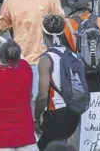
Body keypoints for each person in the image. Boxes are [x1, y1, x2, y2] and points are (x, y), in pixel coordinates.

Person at [34, 15, 81, 150]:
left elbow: (43, 95)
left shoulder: (46, 59)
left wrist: (36, 118)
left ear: (43, 34)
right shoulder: (72, 55)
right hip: (73, 114)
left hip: (56, 114)